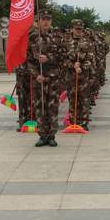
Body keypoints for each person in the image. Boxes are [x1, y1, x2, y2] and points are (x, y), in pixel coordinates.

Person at [26, 11, 63, 147]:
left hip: (53, 78)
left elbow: (63, 57)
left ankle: (52, 135)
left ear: (51, 21)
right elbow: (28, 60)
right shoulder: (33, 37)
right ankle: (42, 135)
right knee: (39, 107)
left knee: (52, 107)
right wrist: (36, 75)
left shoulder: (58, 37)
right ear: (39, 20)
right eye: (43, 19)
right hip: (39, 79)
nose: (46, 22)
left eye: (48, 19)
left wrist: (49, 58)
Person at [66, 19, 94, 130]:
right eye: (77, 29)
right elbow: (62, 59)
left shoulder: (87, 42)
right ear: (72, 29)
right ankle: (73, 122)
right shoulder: (66, 42)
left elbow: (90, 58)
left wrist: (82, 67)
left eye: (80, 29)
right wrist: (72, 65)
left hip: (83, 76)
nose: (79, 31)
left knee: (84, 100)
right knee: (72, 99)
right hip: (70, 76)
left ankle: (84, 123)